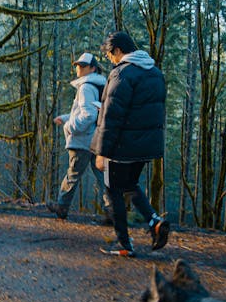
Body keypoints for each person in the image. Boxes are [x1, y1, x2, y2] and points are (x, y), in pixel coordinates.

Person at [91, 30, 169, 257]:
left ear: (117, 50)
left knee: (113, 189)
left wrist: (102, 151)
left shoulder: (122, 74)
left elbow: (112, 115)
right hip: (146, 146)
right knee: (130, 185)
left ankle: (124, 243)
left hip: (122, 146)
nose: (110, 60)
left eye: (109, 55)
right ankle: (155, 222)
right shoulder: (154, 72)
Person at [46, 52, 112, 222]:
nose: (78, 68)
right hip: (97, 139)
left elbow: (88, 115)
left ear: (92, 68)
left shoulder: (86, 87)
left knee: (73, 174)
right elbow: (88, 112)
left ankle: (62, 206)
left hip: (82, 140)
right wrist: (66, 118)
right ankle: (113, 212)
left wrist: (70, 126)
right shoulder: (99, 86)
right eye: (77, 65)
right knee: (102, 176)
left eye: (82, 66)